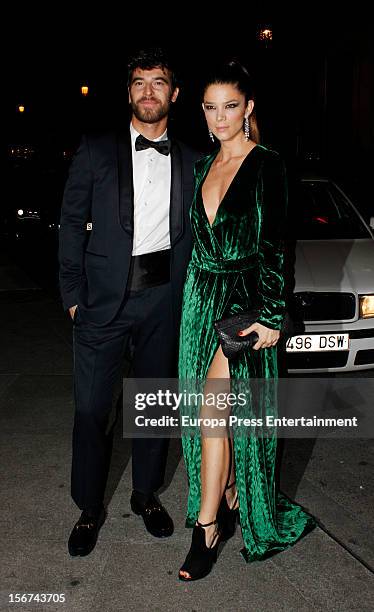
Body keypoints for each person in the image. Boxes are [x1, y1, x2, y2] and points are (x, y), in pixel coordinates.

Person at [58, 47, 200, 557]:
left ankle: (145, 495)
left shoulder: (190, 160)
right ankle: (89, 506)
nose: (147, 91)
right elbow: (72, 223)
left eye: (157, 82)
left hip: (163, 300)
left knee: (153, 405)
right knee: (93, 409)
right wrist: (72, 294)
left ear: (174, 93)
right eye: (139, 82)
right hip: (101, 302)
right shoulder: (96, 150)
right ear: (129, 92)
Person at [178, 60, 316, 581]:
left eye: (229, 106)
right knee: (209, 414)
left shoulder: (267, 165)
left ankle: (207, 525)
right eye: (210, 107)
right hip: (201, 297)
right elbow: (197, 243)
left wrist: (274, 314)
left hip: (244, 300)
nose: (219, 117)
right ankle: (229, 492)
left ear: (248, 108)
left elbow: (276, 246)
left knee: (216, 407)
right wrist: (189, 306)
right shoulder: (202, 165)